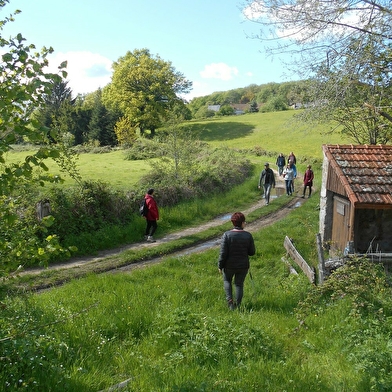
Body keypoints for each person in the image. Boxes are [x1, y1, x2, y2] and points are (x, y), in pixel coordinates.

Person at [218, 212, 255, 310]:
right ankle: (238, 305)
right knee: (239, 284)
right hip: (243, 266)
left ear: (233, 223)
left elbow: (223, 253)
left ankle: (230, 303)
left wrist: (220, 265)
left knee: (227, 281)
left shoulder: (227, 235)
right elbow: (252, 252)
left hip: (229, 265)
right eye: (244, 222)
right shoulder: (248, 235)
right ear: (242, 223)